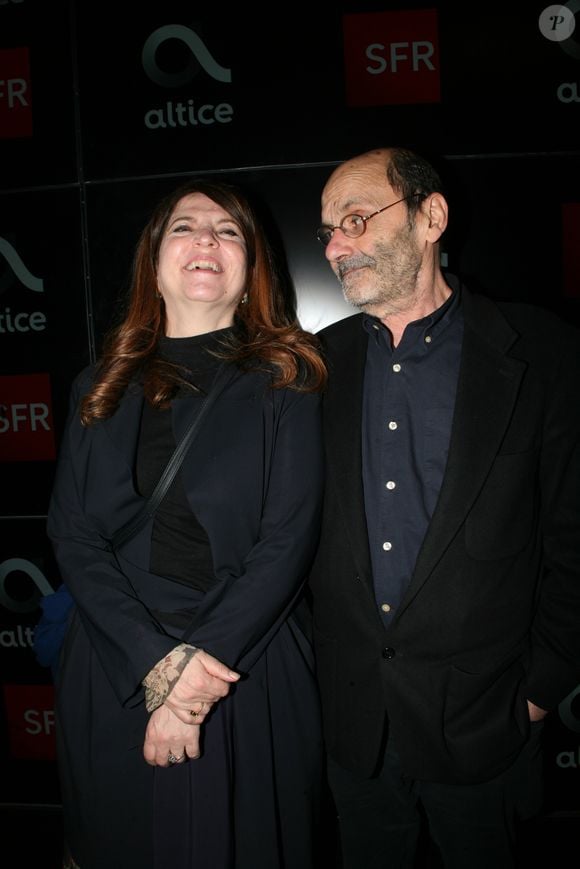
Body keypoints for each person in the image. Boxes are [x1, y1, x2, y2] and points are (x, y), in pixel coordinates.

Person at [308, 146, 580, 868]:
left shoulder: (544, 353)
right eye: (329, 231)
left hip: (488, 722)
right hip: (356, 727)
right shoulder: (310, 369)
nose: (337, 245)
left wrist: (541, 689)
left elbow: (574, 538)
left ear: (431, 217)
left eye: (357, 220)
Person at [45, 178, 327, 869]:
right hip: (116, 659)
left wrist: (196, 676)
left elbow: (287, 539)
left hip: (243, 667)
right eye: (185, 226)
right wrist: (156, 661)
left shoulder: (287, 380)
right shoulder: (99, 382)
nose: (207, 238)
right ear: (154, 260)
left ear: (250, 268)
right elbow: (73, 533)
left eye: (229, 230)